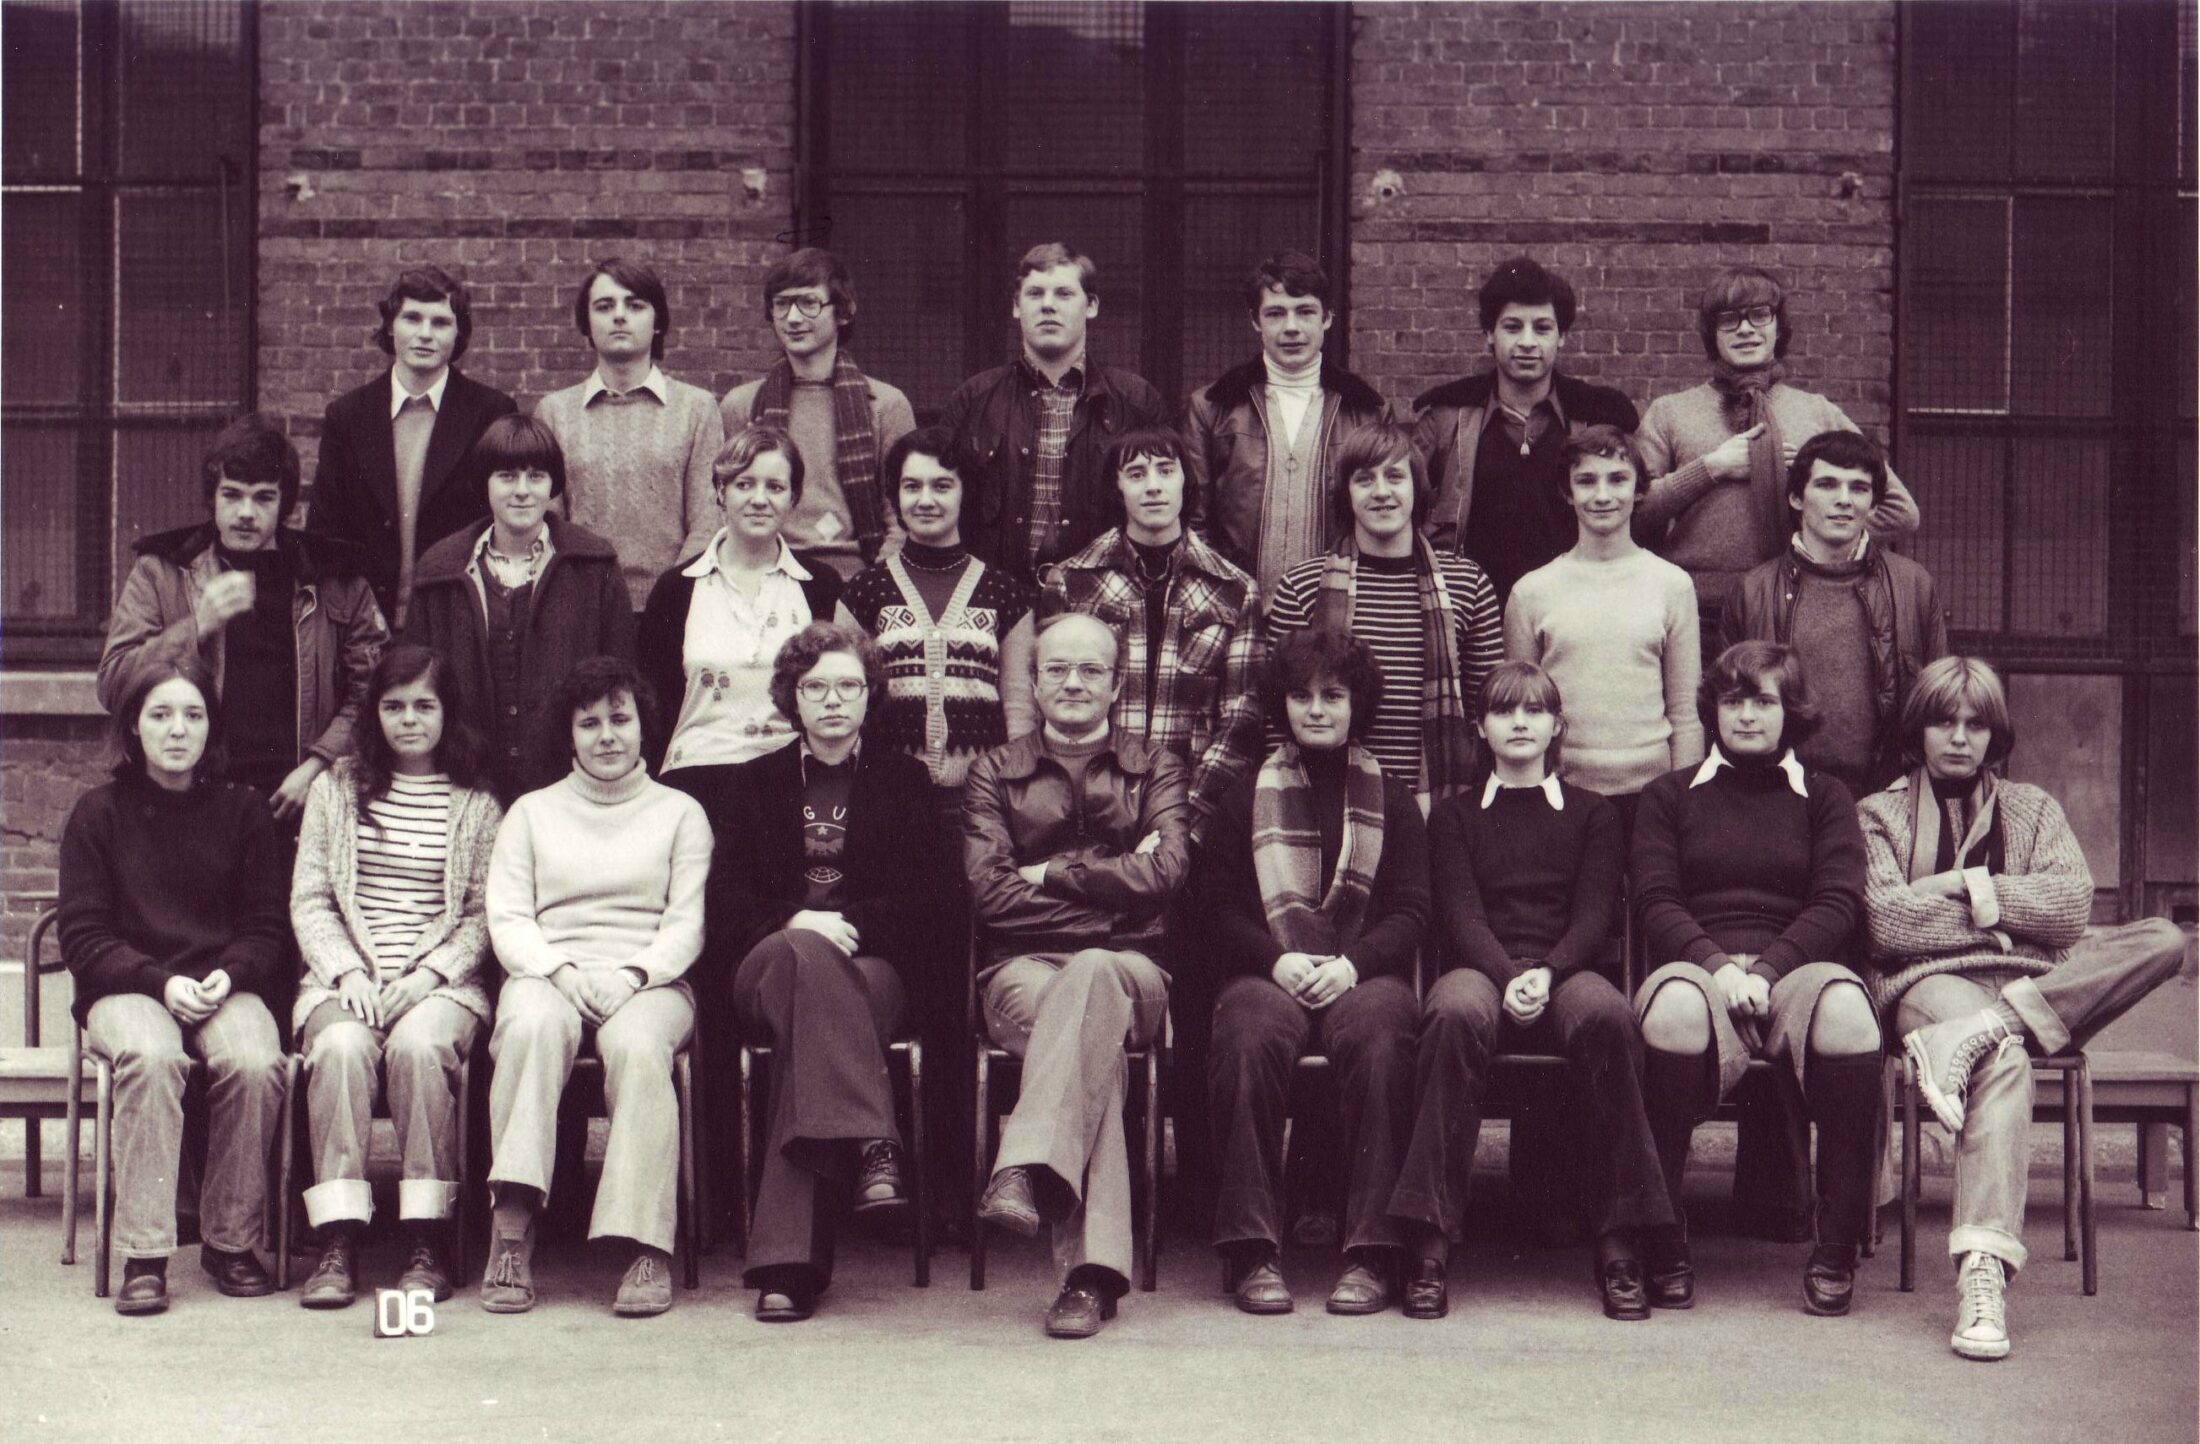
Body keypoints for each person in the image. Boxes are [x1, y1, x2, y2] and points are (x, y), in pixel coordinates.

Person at [1859, 656, 2189, 1362]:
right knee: (2005, 1057)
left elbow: (2070, 906)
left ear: (1996, 733)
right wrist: (2007, 919)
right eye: (1944, 722)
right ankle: (1983, 1271)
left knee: (2163, 939)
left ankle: (1986, 1030)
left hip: (2039, 987)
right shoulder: (1878, 815)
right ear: (1917, 730)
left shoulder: (2033, 807)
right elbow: (1887, 922)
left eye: (1976, 724)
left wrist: (1963, 890)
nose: (1959, 738)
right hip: (1930, 985)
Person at [697, 624, 954, 1322]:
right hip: (768, 963)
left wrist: (851, 925)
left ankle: (788, 1267)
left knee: (810, 1020)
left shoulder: (906, 782)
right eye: (816, 687)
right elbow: (725, 900)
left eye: (848, 685)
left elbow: (933, 902)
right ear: (792, 697)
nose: (833, 700)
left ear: (870, 695)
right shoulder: (752, 783)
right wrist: (797, 920)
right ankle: (874, 1140)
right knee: (802, 960)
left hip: (872, 971)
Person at [1411, 661, 1673, 1321]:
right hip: (1482, 970)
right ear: (1481, 727)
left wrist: (1548, 973)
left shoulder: (1593, 814)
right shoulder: (1454, 816)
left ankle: (1620, 1248)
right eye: (1504, 711)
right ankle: (1429, 1246)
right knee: (1451, 1013)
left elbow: (1594, 916)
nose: (1520, 723)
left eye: (1534, 711)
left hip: (1565, 971)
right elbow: (1461, 916)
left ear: (1558, 725)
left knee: (1609, 1016)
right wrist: (1508, 977)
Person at [1632, 641, 1881, 1316]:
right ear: (1712, 709)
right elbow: (1657, 900)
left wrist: (1768, 971)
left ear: (1789, 711)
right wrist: (1718, 968)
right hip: (1697, 967)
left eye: (1763, 701)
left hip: (1795, 971)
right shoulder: (1668, 796)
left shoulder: (1826, 797)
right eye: (1733, 700)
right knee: (1673, 1009)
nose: (1746, 715)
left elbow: (1837, 902)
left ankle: (1835, 1248)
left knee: (1851, 1014)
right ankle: (1664, 1240)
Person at [966, 612, 1191, 1338]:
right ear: (1032, 683)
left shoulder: (1154, 766)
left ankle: (1023, 1166)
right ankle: (1090, 1280)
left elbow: (1168, 873)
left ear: (1117, 684)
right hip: (1022, 971)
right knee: (1094, 1040)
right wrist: (1116, 891)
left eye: (1091, 669)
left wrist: (1051, 875)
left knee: (1096, 977)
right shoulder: (994, 770)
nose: (1072, 682)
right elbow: (991, 893)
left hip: (1135, 971)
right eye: (1057, 668)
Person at [1194, 630, 1426, 1317]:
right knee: (1245, 1036)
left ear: (1358, 704)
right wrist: (1277, 959)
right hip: (1272, 971)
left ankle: (1372, 1254)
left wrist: (1353, 965)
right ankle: (1251, 1251)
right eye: (1301, 696)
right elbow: (1216, 907)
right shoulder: (1244, 795)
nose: (1316, 709)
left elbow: (1414, 910)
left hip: (1363, 974)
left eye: (1333, 695)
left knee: (1383, 1039)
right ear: (1282, 704)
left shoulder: (1394, 798)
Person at [479, 657, 712, 1317]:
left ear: (643, 725)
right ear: (570, 733)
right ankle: (511, 1231)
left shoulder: (681, 813)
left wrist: (634, 975)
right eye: (590, 723)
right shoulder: (530, 814)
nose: (607, 735)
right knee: (530, 1026)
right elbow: (508, 918)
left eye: (620, 719)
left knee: (638, 1049)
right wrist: (560, 971)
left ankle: (646, 1245)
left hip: (651, 980)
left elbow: (687, 923)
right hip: (549, 973)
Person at [57, 659, 289, 1315]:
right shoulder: (97, 814)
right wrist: (160, 983)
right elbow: (84, 938)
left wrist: (231, 972)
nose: (178, 729)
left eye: (193, 714)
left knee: (255, 1059)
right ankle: (145, 1254)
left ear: (211, 727)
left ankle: (230, 1242)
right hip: (127, 986)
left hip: (219, 985)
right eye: (160, 714)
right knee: (154, 1057)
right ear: (133, 726)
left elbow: (266, 927)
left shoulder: (243, 811)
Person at [291, 644, 503, 1308]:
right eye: (393, 706)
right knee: (340, 1048)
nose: (409, 720)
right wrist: (347, 970)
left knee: (418, 1047)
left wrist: (430, 975)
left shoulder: (477, 802)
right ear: (374, 714)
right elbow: (311, 898)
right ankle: (339, 1237)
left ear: (447, 712)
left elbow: (484, 913)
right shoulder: (336, 789)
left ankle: (425, 1238)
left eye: (424, 706)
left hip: (440, 985)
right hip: (343, 979)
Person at [98, 413, 387, 824]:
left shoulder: (335, 579)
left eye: (263, 498)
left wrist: (318, 766)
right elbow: (113, 684)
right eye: (232, 495)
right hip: (194, 798)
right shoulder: (162, 571)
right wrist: (197, 626)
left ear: (284, 503)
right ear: (212, 498)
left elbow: (373, 692)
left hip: (298, 801)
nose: (246, 512)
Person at [1634, 265, 1921, 660]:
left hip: (1796, 604)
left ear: (1778, 328)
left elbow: (1900, 510)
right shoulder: (1670, 412)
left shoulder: (1817, 413)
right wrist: (1710, 469)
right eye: (1729, 319)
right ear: (1711, 334)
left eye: (1759, 315)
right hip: (1696, 610)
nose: (1745, 329)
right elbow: (1634, 513)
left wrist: (1817, 512)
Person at [1041, 426, 1265, 838]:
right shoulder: (1071, 582)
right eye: (1136, 474)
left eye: (1166, 470)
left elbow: (1241, 717)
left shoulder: (1234, 590)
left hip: (1191, 813)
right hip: (1085, 817)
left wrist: (1183, 819)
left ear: (1185, 481)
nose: (1153, 486)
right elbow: (1053, 706)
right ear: (1117, 487)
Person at [403, 414, 636, 800]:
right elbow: (416, 682)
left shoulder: (594, 565)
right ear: (485, 482)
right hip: (465, 784)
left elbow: (622, 680)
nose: (523, 491)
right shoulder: (440, 569)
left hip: (568, 783)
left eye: (536, 476)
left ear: (552, 484)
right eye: (507, 476)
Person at [1267, 421, 1501, 807]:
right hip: (1329, 804)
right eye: (1364, 479)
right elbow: (1276, 723)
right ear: (1346, 494)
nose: (1381, 492)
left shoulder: (1467, 583)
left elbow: (1490, 711)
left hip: (1440, 805)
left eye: (1395, 476)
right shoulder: (1302, 587)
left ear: (1417, 488)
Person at [1720, 429, 1948, 798]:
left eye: (1859, 488)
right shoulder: (1752, 591)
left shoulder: (1914, 586)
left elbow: (1941, 705)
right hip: (1779, 796)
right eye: (1827, 485)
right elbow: (1725, 710)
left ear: (1873, 503)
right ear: (1796, 497)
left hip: (1887, 796)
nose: (1844, 500)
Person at [1505, 425, 1704, 832]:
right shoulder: (1531, 592)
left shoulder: (1672, 585)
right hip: (1562, 795)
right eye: (1586, 481)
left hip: (1652, 797)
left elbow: (1686, 714)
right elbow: (1519, 711)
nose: (1602, 495)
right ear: (1567, 492)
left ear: (1639, 489)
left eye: (1617, 479)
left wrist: (1685, 802)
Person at [1412, 257, 1641, 605]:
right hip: (1468, 609)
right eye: (1513, 327)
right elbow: (1403, 503)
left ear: (1562, 337)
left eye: (1542, 328)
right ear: (1489, 334)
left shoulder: (1595, 416)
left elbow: (1639, 504)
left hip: (1574, 604)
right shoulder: (1447, 419)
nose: (1528, 342)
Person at [942, 242, 1167, 584]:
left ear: (1091, 306)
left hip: (1106, 593)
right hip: (994, 594)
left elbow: (1165, 508)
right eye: (1035, 294)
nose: (1048, 305)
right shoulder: (973, 399)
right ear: (1016, 306)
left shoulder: (1136, 400)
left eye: (1063, 293)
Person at [840, 426, 1036, 818]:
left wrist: (1019, 790)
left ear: (966, 493)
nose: (925, 500)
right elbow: (845, 696)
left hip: (981, 801)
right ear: (896, 494)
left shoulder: (1005, 594)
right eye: (912, 486)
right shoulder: (864, 591)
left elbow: (1018, 704)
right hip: (887, 797)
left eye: (942, 486)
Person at [637, 424, 846, 787]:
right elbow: (652, 703)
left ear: (794, 497)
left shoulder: (821, 586)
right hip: (695, 775)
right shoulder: (676, 589)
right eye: (744, 484)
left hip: (792, 780)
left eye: (775, 487)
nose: (759, 499)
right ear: (721, 492)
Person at [309, 266, 518, 628]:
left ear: (458, 333)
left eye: (440, 322)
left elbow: (504, 528)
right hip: (366, 625)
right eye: (412, 318)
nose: (425, 334)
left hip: (459, 619)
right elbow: (326, 531)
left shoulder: (491, 413)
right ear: (391, 326)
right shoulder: (347, 416)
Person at [1182, 251, 1391, 595]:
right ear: (1255, 320)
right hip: (1236, 605)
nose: (1291, 327)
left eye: (1305, 312)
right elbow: (1194, 522)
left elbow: (1382, 522)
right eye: (1276, 313)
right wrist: (1220, 597)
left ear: (1327, 318)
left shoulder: (1367, 411)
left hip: (1336, 606)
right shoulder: (1211, 408)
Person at [534, 256, 726, 609]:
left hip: (674, 606)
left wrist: (672, 595)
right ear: (586, 324)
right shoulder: (555, 411)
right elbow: (548, 522)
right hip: (582, 606)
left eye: (635, 305)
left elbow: (708, 520)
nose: (619, 316)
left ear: (658, 322)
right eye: (604, 306)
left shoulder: (697, 408)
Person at [719, 247, 918, 579]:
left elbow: (901, 515)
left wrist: (877, 582)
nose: (793, 318)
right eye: (782, 304)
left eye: (809, 303)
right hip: (768, 576)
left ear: (843, 311)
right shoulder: (742, 405)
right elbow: (724, 509)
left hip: (858, 578)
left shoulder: (886, 405)